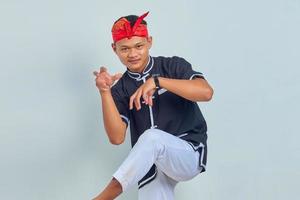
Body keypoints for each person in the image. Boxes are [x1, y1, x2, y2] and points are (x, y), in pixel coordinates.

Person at [92, 11, 213, 200]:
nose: (132, 54)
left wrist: (158, 82)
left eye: (139, 46)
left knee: (152, 138)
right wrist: (105, 92)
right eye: (124, 49)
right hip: (152, 165)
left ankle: (103, 197)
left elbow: (206, 93)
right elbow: (116, 137)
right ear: (114, 48)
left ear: (149, 41)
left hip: (189, 152)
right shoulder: (121, 89)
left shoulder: (172, 66)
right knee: (151, 146)